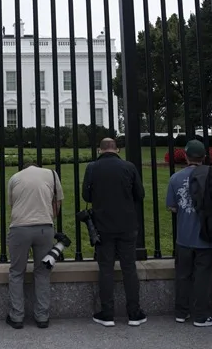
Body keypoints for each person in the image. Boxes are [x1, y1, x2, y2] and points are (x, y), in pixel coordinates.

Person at [82, 137, 146, 327]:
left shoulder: (92, 167)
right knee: (129, 269)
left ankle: (107, 313)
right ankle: (134, 313)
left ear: (100, 150)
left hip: (103, 225)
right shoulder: (129, 167)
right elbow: (140, 194)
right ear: (116, 149)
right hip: (127, 224)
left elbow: (86, 195)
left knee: (106, 269)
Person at [165, 140, 212, 327]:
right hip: (205, 235)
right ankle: (201, 315)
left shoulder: (175, 178)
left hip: (183, 236)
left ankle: (181, 312)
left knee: (182, 275)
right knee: (203, 276)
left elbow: (172, 207)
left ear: (186, 157)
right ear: (204, 157)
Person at [4, 158, 63, 329]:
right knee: (43, 272)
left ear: (23, 168)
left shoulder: (15, 178)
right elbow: (57, 204)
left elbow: (13, 205)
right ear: (39, 166)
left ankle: (17, 317)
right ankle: (42, 317)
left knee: (16, 272)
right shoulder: (51, 174)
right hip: (45, 228)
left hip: (20, 228)